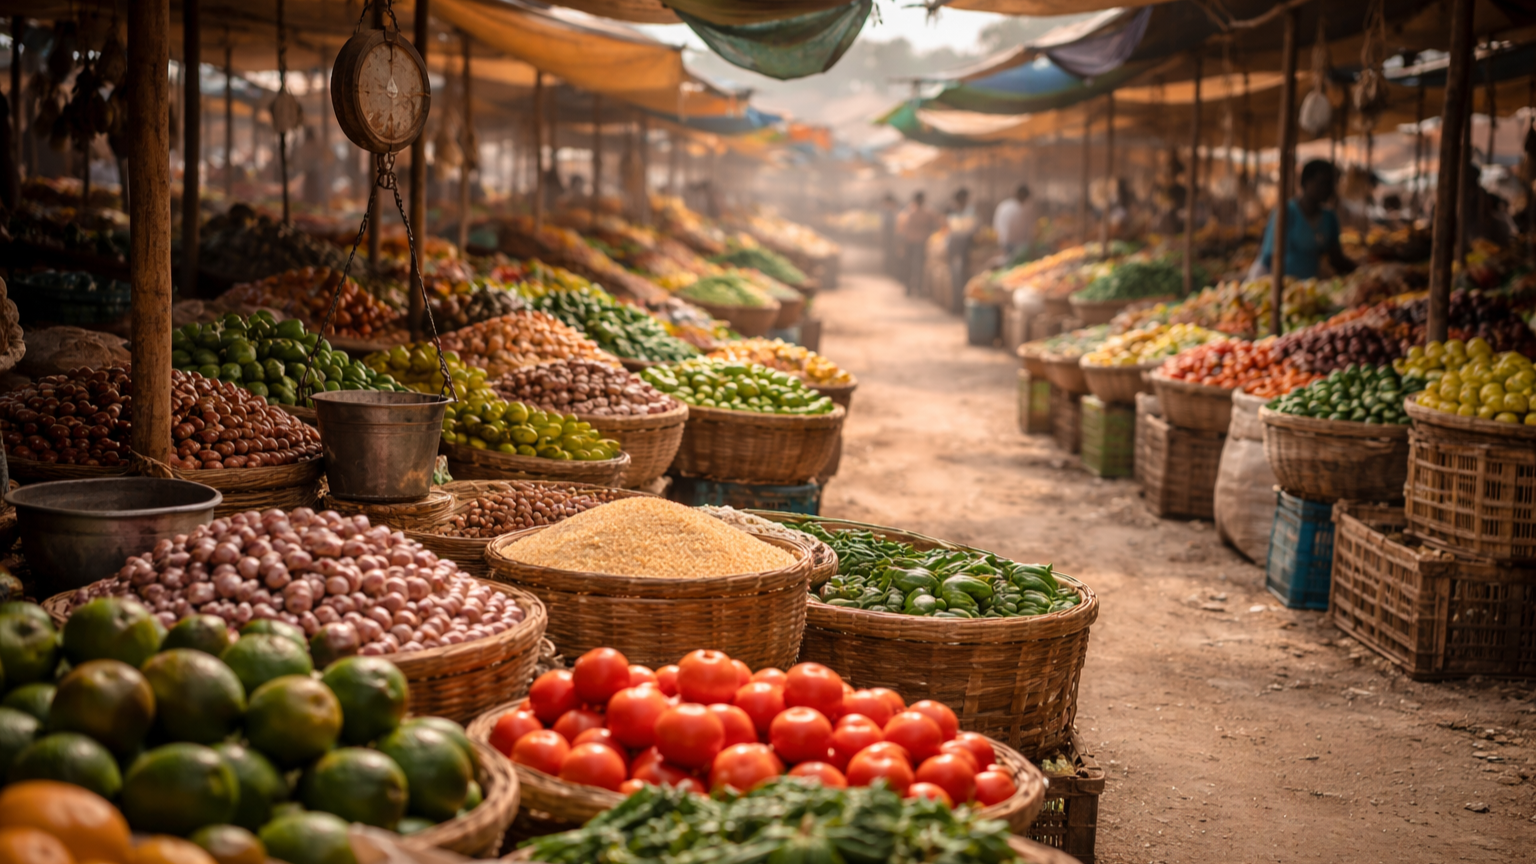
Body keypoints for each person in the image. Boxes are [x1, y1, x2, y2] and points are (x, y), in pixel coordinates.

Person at [1250, 159, 1355, 280]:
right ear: (1305, 183)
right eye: (1322, 183)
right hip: (1280, 285)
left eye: (1331, 184)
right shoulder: (1285, 213)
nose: (1328, 189)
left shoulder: (1330, 218)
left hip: (1311, 286)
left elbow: (1336, 259)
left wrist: (1363, 270)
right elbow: (1269, 257)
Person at [896, 191, 940, 297]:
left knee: (912, 266)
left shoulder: (908, 212)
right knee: (917, 266)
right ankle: (916, 288)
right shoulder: (927, 212)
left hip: (911, 241)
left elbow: (902, 229)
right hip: (918, 242)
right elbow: (937, 223)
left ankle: (910, 288)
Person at [945, 188, 977, 314]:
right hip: (955, 247)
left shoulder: (970, 211)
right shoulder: (953, 210)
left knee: (962, 277)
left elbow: (970, 229)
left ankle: (961, 305)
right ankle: (957, 305)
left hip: (965, 247)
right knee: (955, 277)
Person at [993, 184, 1037, 261]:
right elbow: (1029, 230)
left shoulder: (1004, 205)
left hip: (1007, 243)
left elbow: (996, 226)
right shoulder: (1024, 209)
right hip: (1014, 244)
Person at [880, 192, 899, 277]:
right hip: (890, 236)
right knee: (889, 253)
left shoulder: (891, 211)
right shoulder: (891, 211)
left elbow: (887, 225)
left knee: (890, 253)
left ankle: (889, 270)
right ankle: (888, 270)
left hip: (891, 236)